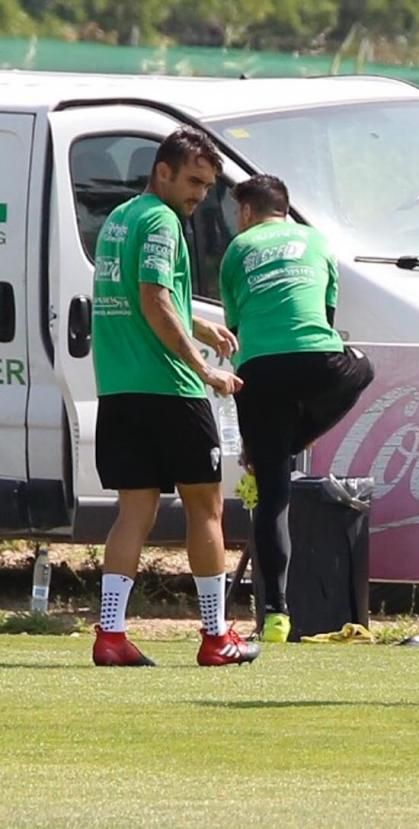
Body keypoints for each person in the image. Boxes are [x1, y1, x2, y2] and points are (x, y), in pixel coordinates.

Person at [90, 126, 259, 667]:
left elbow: (147, 301)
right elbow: (154, 299)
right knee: (205, 508)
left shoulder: (119, 219)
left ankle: (110, 635)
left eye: (207, 186)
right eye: (192, 181)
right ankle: (216, 637)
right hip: (170, 390)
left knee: (132, 512)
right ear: (161, 171)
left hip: (119, 389)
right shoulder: (163, 221)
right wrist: (204, 369)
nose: (199, 195)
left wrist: (201, 327)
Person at [219, 174, 375, 644]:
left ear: (246, 212)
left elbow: (237, 327)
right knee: (363, 368)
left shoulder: (236, 252)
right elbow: (324, 320)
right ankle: (300, 436)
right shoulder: (316, 241)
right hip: (316, 359)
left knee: (273, 494)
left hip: (258, 369)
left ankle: (276, 614)